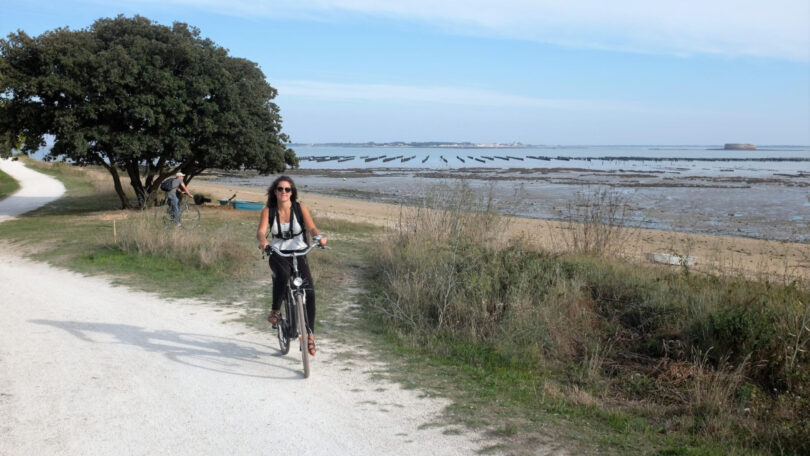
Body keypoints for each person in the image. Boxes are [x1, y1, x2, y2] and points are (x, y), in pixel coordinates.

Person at [257, 176, 327, 356]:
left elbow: (312, 228)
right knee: (282, 274)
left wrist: (319, 237)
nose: (283, 192)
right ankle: (276, 311)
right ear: (275, 191)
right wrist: (263, 241)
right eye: (280, 189)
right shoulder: (268, 211)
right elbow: (261, 231)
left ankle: (310, 336)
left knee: (309, 290)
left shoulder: (299, 208)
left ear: (292, 192)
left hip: (299, 251)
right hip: (278, 251)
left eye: (287, 189)